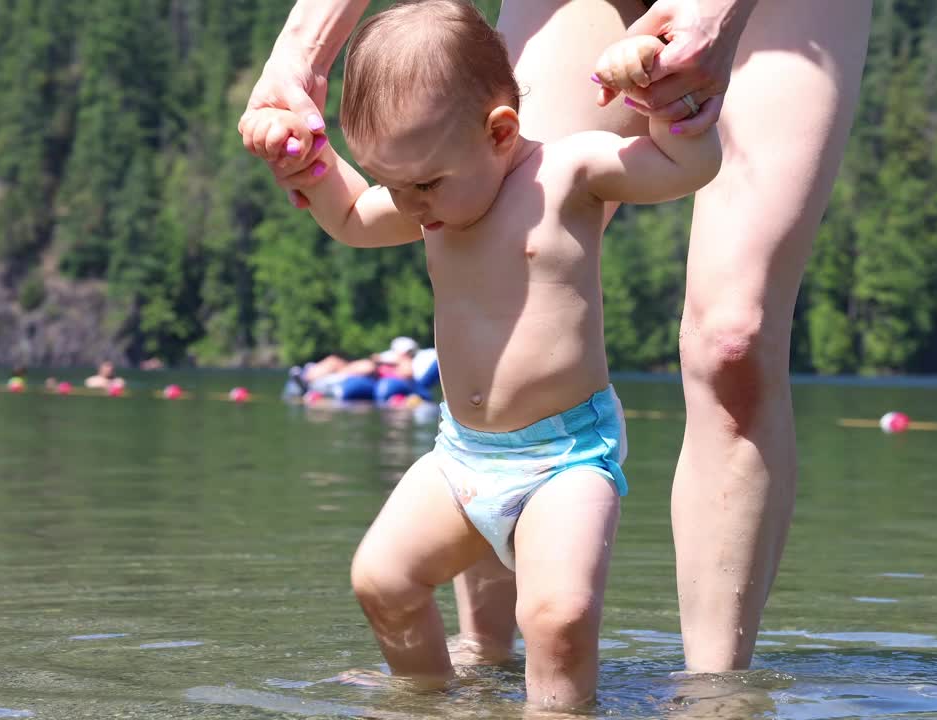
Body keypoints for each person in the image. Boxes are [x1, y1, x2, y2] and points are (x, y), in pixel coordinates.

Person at [240, 0, 870, 675]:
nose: (409, 204)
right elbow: (356, 215)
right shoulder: (428, 190)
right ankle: (440, 694)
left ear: (502, 131)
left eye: (420, 184)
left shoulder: (569, 170)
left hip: (566, 455)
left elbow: (682, 167)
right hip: (464, 456)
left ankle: (713, 690)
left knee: (560, 614)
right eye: (397, 184)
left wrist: (671, 104)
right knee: (382, 581)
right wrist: (307, 153)